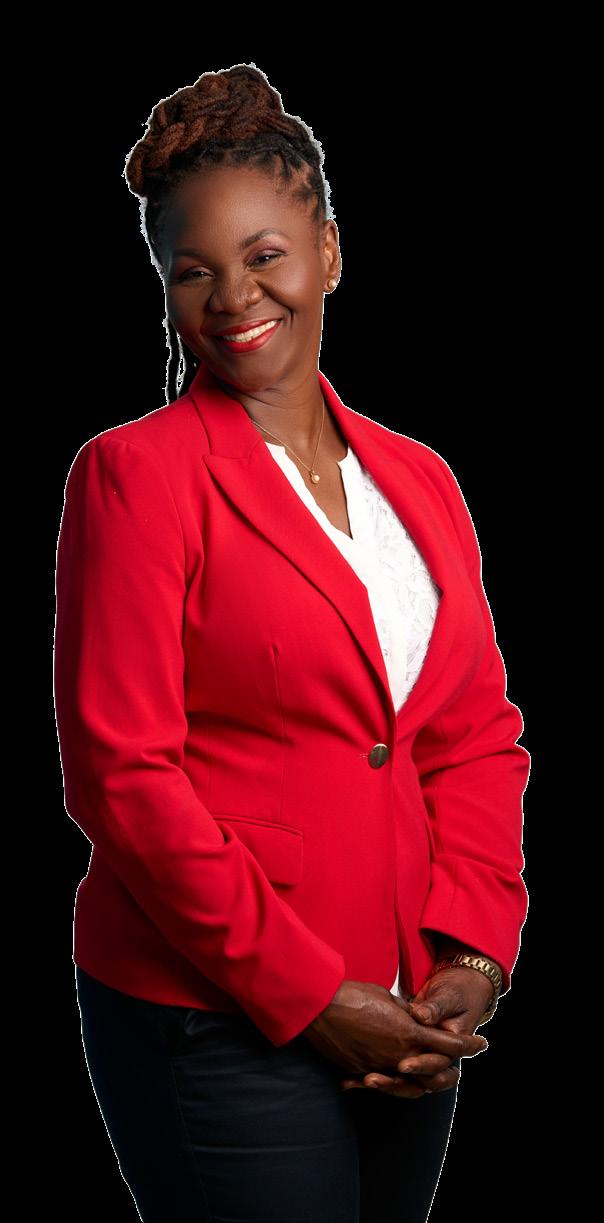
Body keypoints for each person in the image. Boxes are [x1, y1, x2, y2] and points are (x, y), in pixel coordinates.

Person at [54, 64, 530, 1223]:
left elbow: (469, 732)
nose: (233, 297)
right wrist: (314, 994)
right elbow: (124, 777)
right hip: (215, 1005)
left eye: (264, 254)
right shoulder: (134, 475)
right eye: (194, 271)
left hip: (408, 998)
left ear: (327, 250)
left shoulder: (419, 476)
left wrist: (472, 952)